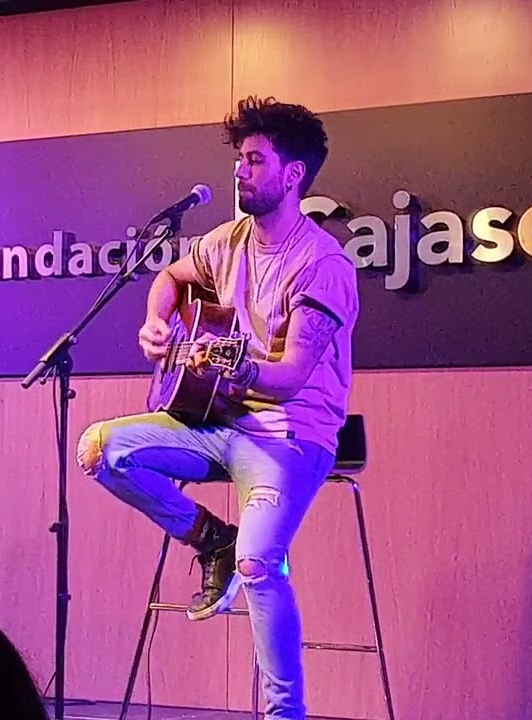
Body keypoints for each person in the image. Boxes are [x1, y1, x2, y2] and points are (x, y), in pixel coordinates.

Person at [76, 96, 359, 719]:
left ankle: (284, 714)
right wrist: (155, 322)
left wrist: (237, 366)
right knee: (100, 448)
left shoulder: (324, 265)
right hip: (215, 423)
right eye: (239, 159)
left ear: (292, 175)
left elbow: (288, 379)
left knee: (259, 566)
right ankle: (211, 540)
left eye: (254, 161)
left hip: (288, 434)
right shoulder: (226, 241)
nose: (239, 171)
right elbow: (171, 279)